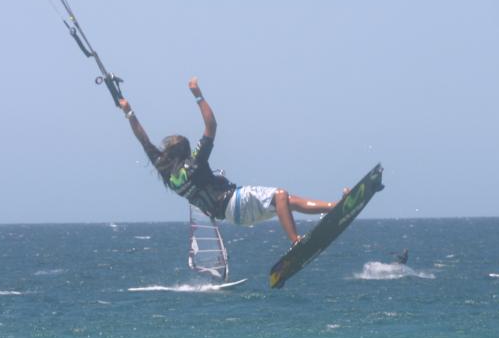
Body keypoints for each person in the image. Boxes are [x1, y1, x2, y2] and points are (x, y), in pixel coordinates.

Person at [118, 77, 342, 246]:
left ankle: (334, 207)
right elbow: (211, 127)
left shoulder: (168, 174)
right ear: (185, 152)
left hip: (232, 216)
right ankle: (295, 241)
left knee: (287, 201)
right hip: (235, 201)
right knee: (281, 196)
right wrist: (198, 95)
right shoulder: (194, 164)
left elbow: (143, 140)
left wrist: (128, 112)